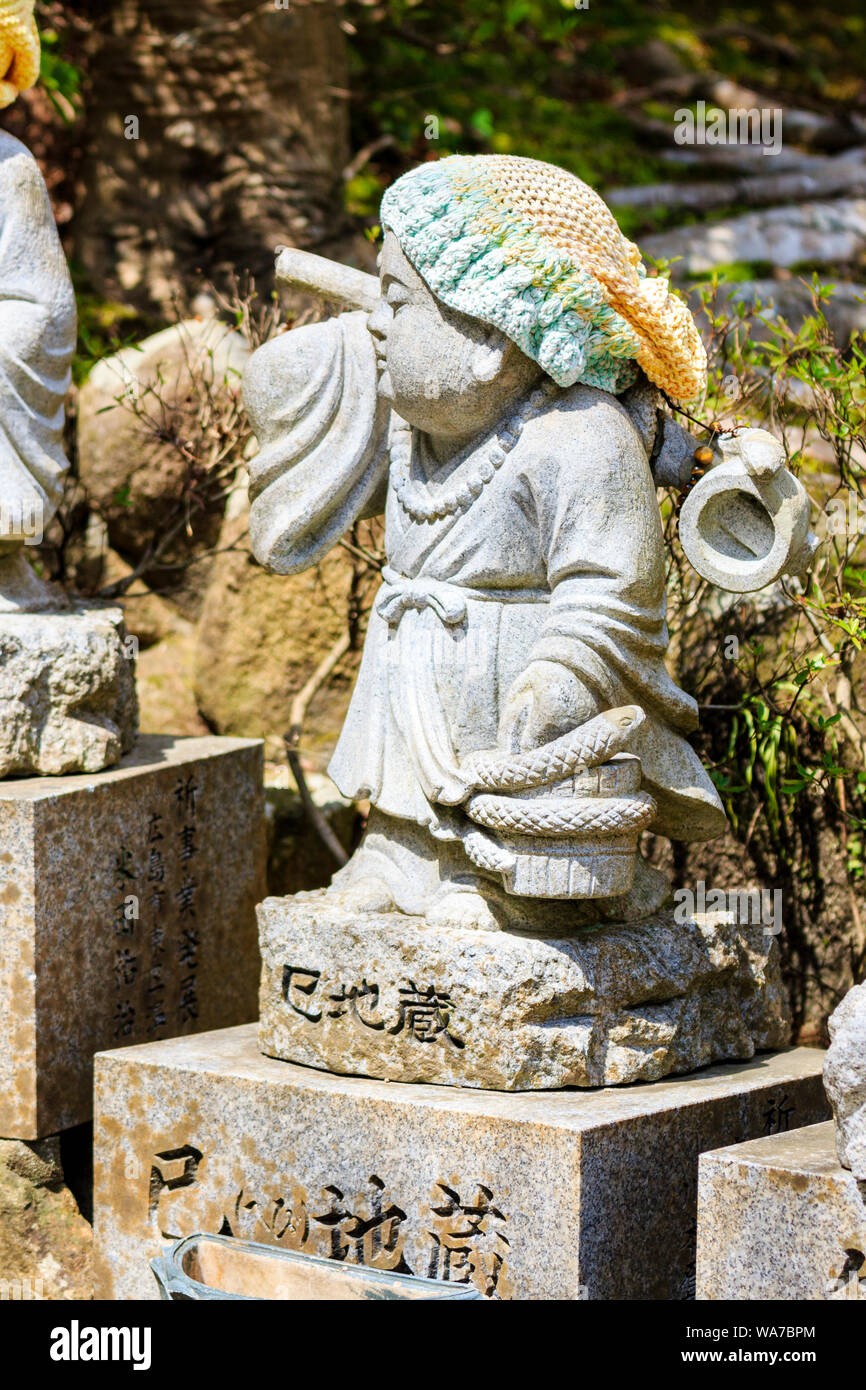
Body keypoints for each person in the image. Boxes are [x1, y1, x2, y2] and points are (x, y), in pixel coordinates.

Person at [244, 154, 727, 929]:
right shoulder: (412, 422)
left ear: (493, 344)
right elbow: (288, 385)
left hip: (518, 675)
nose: (374, 320)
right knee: (407, 797)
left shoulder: (576, 436)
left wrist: (565, 670)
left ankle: (490, 875)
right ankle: (399, 850)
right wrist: (300, 365)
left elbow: (614, 587)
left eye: (398, 303)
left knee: (507, 765)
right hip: (413, 648)